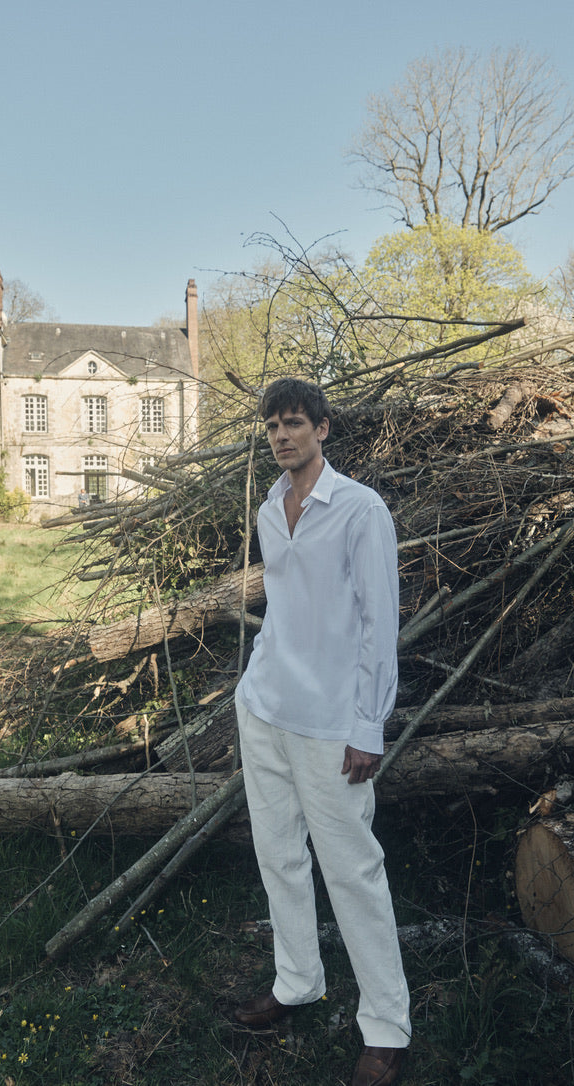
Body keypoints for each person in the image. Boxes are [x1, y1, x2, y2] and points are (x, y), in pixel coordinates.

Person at [234, 377, 410, 1086]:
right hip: (267, 710)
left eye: (295, 423)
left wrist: (369, 725)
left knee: (353, 870)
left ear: (323, 430)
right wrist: (253, 679)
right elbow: (284, 608)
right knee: (279, 857)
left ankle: (387, 1025)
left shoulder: (361, 509)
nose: (283, 435)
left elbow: (379, 622)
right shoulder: (270, 509)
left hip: (333, 724)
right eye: (273, 425)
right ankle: (297, 980)